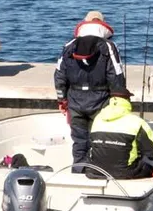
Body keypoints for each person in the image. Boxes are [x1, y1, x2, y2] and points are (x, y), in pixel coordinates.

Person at [54, 10, 126, 169]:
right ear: (102, 25)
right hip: (100, 102)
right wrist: (120, 100)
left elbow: (59, 76)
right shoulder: (108, 46)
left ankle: (78, 172)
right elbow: (117, 76)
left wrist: (62, 100)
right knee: (99, 140)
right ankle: (97, 174)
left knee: (79, 142)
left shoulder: (69, 46)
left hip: (75, 101)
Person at [86, 87, 153, 179]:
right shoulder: (136, 122)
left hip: (95, 171)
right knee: (148, 163)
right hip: (125, 172)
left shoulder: (97, 119)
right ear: (128, 100)